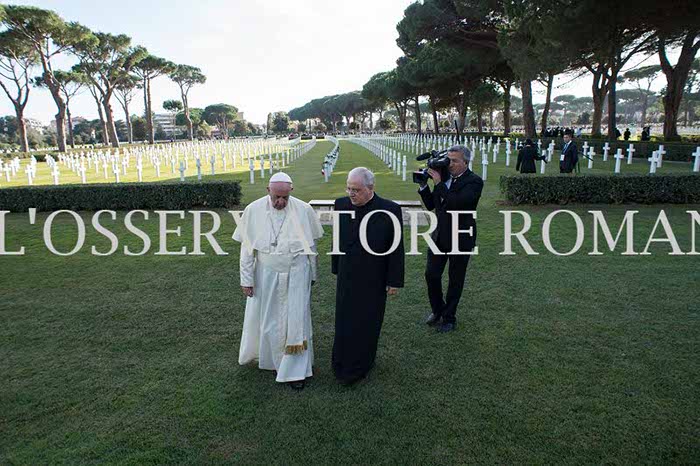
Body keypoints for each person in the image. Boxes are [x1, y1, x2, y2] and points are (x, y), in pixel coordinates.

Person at [233, 172, 324, 391]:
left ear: (291, 191)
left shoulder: (304, 210)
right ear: (268, 191)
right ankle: (274, 362)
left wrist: (312, 275)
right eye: (276, 197)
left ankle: (296, 370)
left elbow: (311, 248)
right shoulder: (253, 210)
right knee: (270, 320)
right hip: (266, 274)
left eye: (285, 197)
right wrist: (246, 280)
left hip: (297, 273)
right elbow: (247, 249)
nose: (280, 202)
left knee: (297, 321)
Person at [331, 167, 405, 385]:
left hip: (374, 276)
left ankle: (362, 364)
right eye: (348, 188)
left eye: (356, 190)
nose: (351, 194)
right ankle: (340, 361)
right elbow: (337, 238)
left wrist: (393, 280)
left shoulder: (390, 210)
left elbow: (396, 248)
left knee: (367, 321)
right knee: (344, 319)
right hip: (347, 274)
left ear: (370, 188)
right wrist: (336, 267)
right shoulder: (341, 204)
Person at [419, 145, 484, 333]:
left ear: (466, 162)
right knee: (431, 275)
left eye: (455, 161)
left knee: (455, 279)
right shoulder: (444, 178)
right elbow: (432, 205)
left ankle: (449, 317)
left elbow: (456, 203)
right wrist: (423, 186)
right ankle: (438, 310)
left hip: (461, 236)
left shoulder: (474, 182)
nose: (450, 164)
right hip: (439, 235)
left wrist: (439, 183)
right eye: (449, 160)